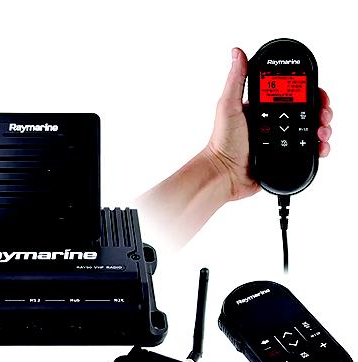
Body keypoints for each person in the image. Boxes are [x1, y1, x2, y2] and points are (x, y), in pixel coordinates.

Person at [136, 48, 333, 249]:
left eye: (292, 87)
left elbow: (136, 244)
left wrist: (222, 166)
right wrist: (221, 162)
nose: (283, 95)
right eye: (273, 87)